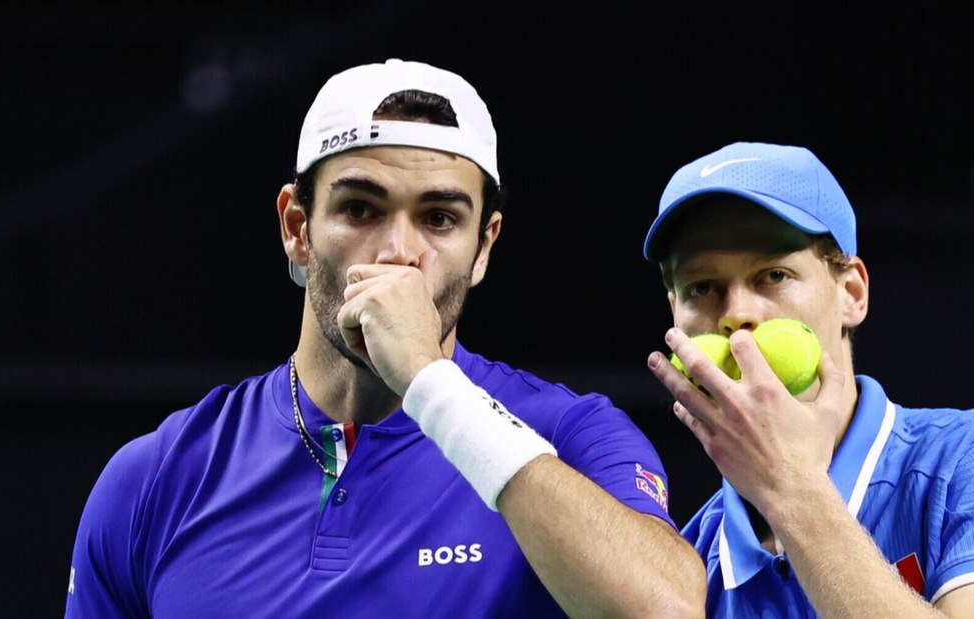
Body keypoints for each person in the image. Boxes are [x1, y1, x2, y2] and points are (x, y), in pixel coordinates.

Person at [65, 59, 705, 618]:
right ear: (297, 227)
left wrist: (429, 380)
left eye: (439, 218)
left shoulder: (572, 436)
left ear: (483, 247)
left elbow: (668, 609)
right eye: (360, 209)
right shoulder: (155, 479)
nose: (399, 253)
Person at [642, 141, 974, 618]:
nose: (737, 313)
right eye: (702, 287)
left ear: (852, 293)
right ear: (676, 314)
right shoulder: (684, 569)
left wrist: (790, 487)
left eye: (774, 275)